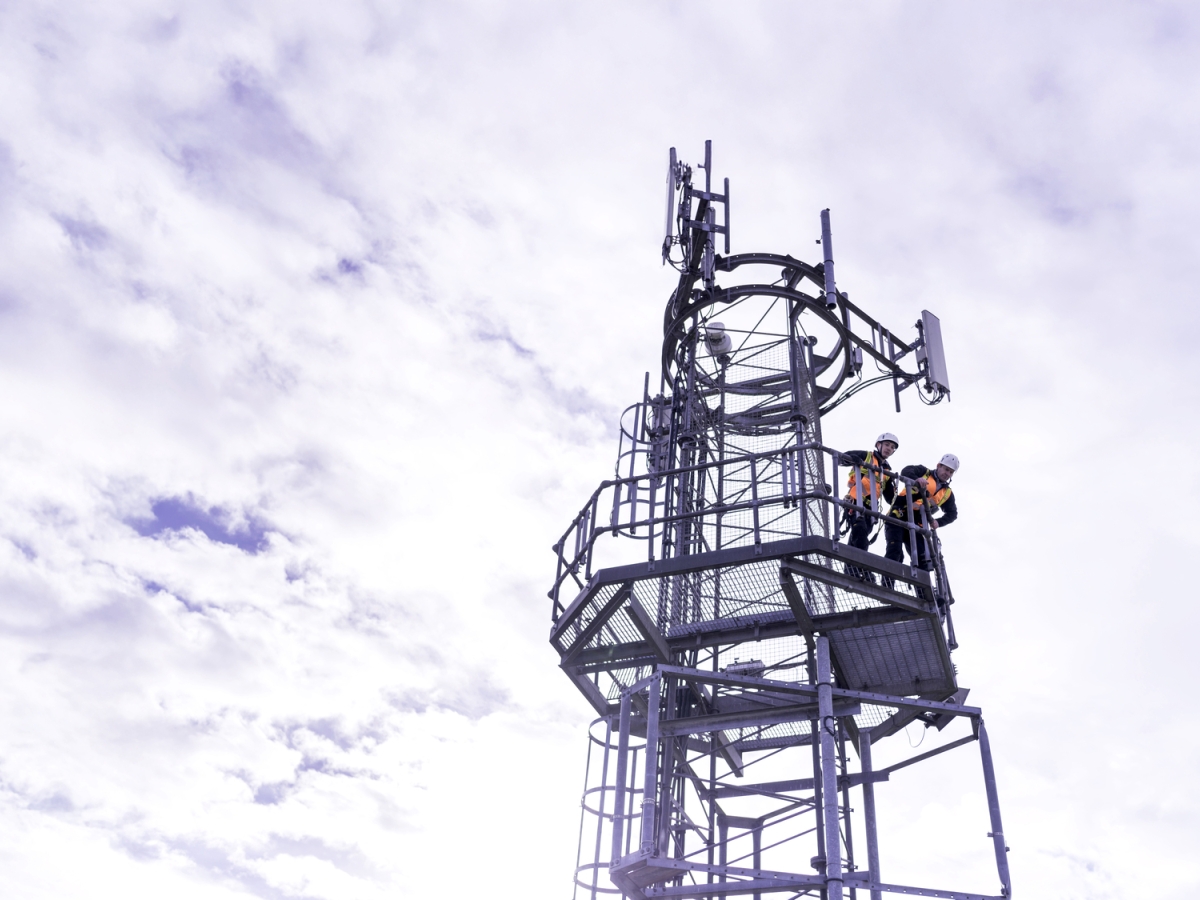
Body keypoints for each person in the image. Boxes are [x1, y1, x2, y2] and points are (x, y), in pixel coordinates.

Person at [884, 453, 959, 571]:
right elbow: (906, 470)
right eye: (946, 469)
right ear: (939, 466)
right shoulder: (924, 472)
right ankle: (887, 584)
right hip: (899, 515)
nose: (947, 473)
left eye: (950, 472)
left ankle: (921, 589)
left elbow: (952, 514)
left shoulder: (947, 493)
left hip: (917, 523)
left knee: (922, 560)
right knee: (895, 551)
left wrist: (938, 522)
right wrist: (916, 479)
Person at [840, 433, 899, 554]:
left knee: (859, 538)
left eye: (892, 447)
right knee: (860, 533)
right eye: (887, 445)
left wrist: (896, 492)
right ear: (878, 445)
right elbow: (841, 458)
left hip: (871, 510)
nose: (889, 448)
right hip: (855, 503)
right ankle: (862, 569)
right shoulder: (866, 456)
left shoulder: (886, 472)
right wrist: (853, 459)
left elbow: (889, 498)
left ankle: (851, 571)